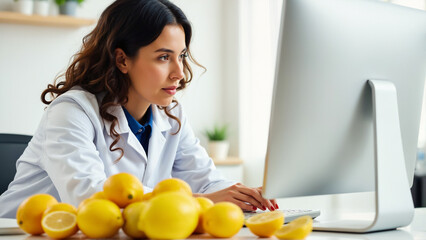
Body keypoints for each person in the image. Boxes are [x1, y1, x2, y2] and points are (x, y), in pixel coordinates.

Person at [0, 0, 277, 218]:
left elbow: (205, 181)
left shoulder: (171, 115)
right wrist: (199, 201)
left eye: (181, 56)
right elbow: (88, 197)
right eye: (163, 57)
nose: (179, 72)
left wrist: (244, 196)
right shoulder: (71, 112)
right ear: (122, 59)